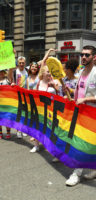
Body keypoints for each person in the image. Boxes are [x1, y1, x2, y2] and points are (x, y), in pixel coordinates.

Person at [65, 45, 96, 186]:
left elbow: (88, 96)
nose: (83, 57)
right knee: (81, 143)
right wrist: (70, 91)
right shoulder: (81, 72)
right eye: (82, 54)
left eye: (87, 55)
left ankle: (76, 173)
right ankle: (78, 172)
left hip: (92, 115)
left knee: (85, 144)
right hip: (81, 115)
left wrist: (85, 100)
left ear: (94, 57)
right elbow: (79, 92)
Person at [30, 65, 59, 153]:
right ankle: (36, 145)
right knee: (37, 127)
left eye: (50, 71)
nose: (49, 73)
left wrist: (55, 87)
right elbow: (34, 94)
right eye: (47, 71)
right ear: (42, 73)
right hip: (39, 109)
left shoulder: (54, 82)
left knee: (50, 128)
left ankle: (50, 146)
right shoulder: (38, 82)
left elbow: (58, 97)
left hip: (50, 110)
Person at [10, 56, 29, 138]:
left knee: (25, 113)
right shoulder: (15, 71)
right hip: (16, 95)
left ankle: (24, 129)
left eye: (23, 63)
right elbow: (10, 75)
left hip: (25, 95)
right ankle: (18, 130)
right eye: (20, 62)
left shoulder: (28, 71)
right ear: (18, 63)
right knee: (18, 113)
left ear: (25, 63)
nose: (21, 64)